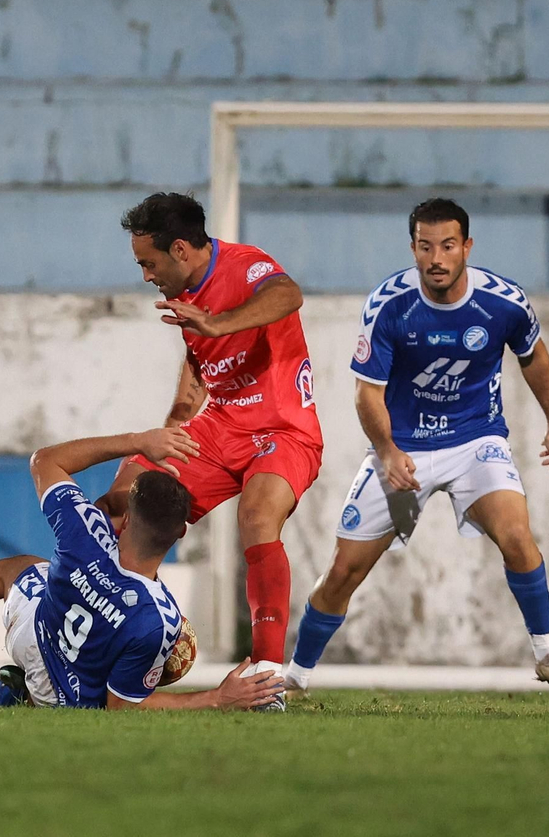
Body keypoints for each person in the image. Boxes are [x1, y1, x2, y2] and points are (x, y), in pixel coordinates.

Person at [285, 198, 549, 699]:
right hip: (401, 446)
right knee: (344, 571)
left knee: (518, 536)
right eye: (425, 247)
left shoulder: (504, 302)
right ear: (413, 248)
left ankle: (548, 655)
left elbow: (532, 355)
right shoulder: (389, 305)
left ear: (466, 247)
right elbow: (367, 393)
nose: (436, 258)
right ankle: (294, 679)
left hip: (477, 438)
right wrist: (385, 452)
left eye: (448, 246)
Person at [0, 427, 280, 712]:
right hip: (68, 697)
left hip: (31, 635)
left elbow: (45, 460)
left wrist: (135, 440)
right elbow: (122, 708)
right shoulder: (162, 619)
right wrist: (217, 698)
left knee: (16, 570)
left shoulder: (88, 534)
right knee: (93, 666)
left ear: (127, 520)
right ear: (181, 534)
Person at [107, 192, 323, 710]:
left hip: (284, 428)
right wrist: (165, 438)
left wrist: (219, 322)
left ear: (180, 249)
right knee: (123, 500)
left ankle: (267, 679)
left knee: (257, 514)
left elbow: (289, 294)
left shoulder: (245, 266)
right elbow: (197, 376)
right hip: (221, 426)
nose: (145, 276)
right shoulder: (187, 297)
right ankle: (99, 642)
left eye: (149, 263)